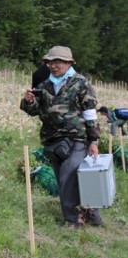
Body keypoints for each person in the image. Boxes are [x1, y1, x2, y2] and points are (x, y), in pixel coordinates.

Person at [20, 45, 103, 229]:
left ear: (68, 63)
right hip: (52, 141)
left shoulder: (81, 83)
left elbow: (90, 113)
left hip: (77, 139)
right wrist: (29, 101)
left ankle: (73, 220)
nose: (53, 65)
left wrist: (94, 141)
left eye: (57, 62)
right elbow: (34, 111)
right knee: (63, 180)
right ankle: (92, 212)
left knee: (68, 176)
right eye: (50, 62)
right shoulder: (44, 85)